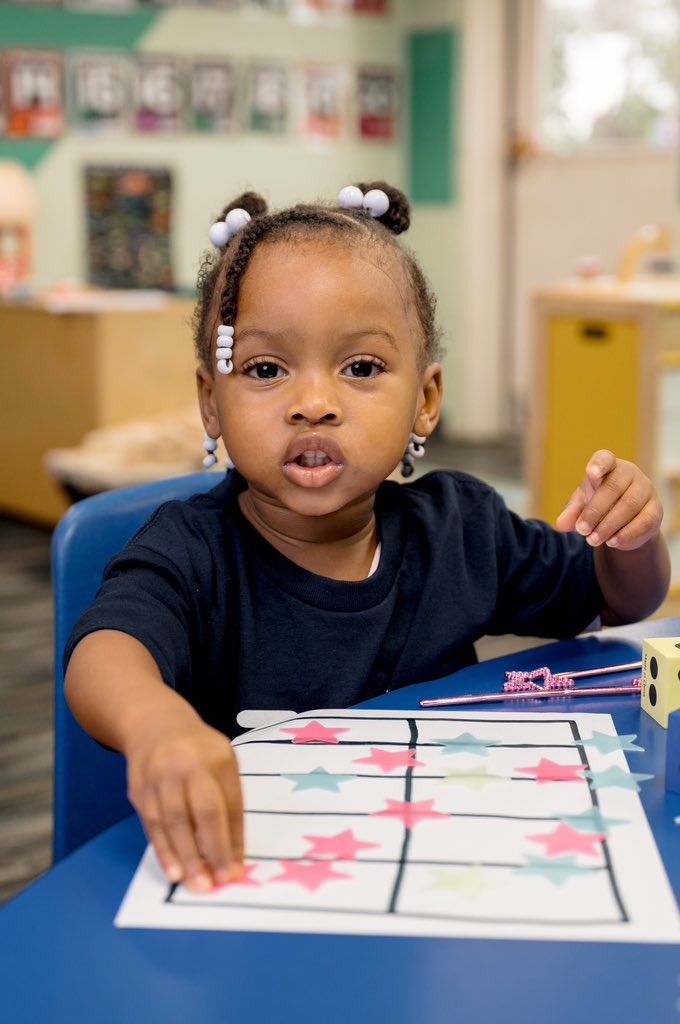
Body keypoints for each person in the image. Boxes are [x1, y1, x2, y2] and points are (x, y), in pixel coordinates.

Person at [64, 181, 670, 897]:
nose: (313, 404)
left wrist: (631, 538)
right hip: (261, 876)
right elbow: (102, 656)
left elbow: (617, 599)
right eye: (265, 369)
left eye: (361, 368)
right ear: (210, 403)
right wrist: (155, 722)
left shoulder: (464, 528)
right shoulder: (192, 552)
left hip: (435, 867)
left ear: (425, 399)